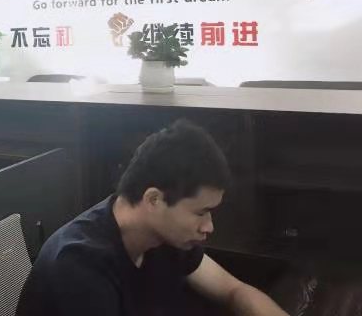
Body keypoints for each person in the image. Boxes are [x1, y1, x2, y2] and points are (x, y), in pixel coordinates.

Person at [16, 120, 287, 316]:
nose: (209, 226)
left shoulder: (164, 236)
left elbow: (233, 290)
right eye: (200, 212)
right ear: (154, 199)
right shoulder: (79, 265)